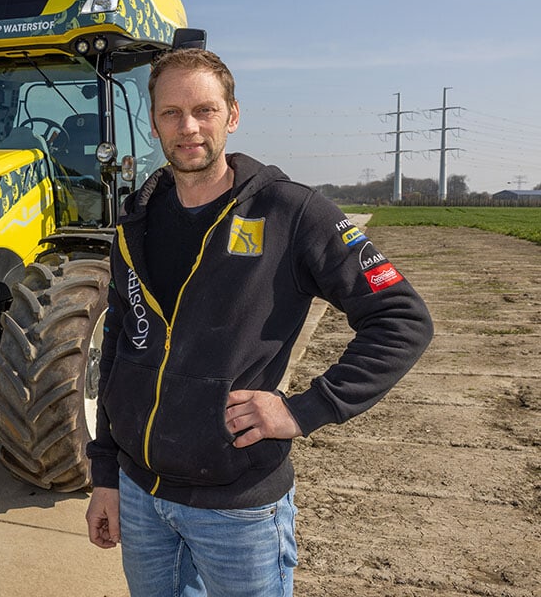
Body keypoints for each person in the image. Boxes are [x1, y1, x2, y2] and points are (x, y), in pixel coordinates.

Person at [84, 48, 433, 596]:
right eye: (171, 113)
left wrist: (304, 409)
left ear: (233, 115)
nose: (189, 127)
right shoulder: (135, 223)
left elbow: (402, 319)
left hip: (237, 509)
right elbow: (118, 351)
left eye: (204, 110)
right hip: (141, 496)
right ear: (153, 123)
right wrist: (106, 474)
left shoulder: (291, 213)